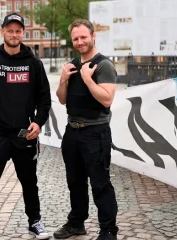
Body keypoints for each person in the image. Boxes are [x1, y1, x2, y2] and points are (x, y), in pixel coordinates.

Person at [0, 12, 52, 240]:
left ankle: (35, 222)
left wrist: (38, 122)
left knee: (29, 182)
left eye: (18, 31)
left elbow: (44, 99)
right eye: (10, 30)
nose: (14, 34)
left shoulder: (33, 64)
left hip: (24, 135)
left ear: (23, 33)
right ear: (2, 31)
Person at [54, 19, 119, 240]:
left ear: (93, 36)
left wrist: (88, 80)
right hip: (72, 132)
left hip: (95, 133)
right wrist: (63, 80)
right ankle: (76, 223)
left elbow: (107, 99)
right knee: (75, 182)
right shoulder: (72, 65)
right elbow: (62, 100)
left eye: (83, 37)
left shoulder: (103, 65)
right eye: (75, 38)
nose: (80, 41)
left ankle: (108, 230)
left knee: (100, 183)